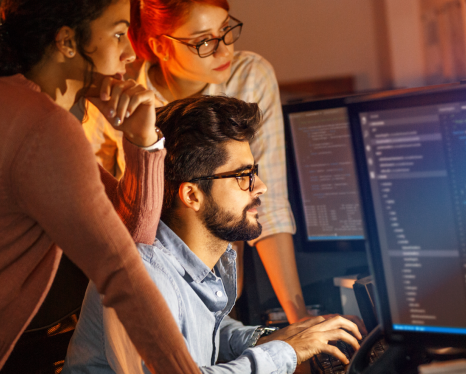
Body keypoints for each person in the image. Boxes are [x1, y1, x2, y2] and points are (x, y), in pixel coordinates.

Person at [0, 0, 213, 374]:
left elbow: (132, 236)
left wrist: (142, 140)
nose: (131, 53)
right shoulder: (40, 127)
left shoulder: (21, 106)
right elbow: (125, 274)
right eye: (118, 34)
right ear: (67, 42)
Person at [59, 95, 362, 374]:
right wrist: (286, 352)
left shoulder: (196, 258)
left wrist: (272, 338)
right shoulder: (144, 273)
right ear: (192, 195)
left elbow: (203, 334)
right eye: (243, 176)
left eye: (253, 173)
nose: (261, 187)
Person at [82, 0, 341, 326]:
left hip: (224, 284)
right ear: (159, 45)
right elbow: (91, 200)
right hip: (143, 278)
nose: (224, 50)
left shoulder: (250, 77)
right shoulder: (123, 95)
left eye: (226, 31)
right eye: (203, 41)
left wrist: (298, 316)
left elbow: (267, 202)